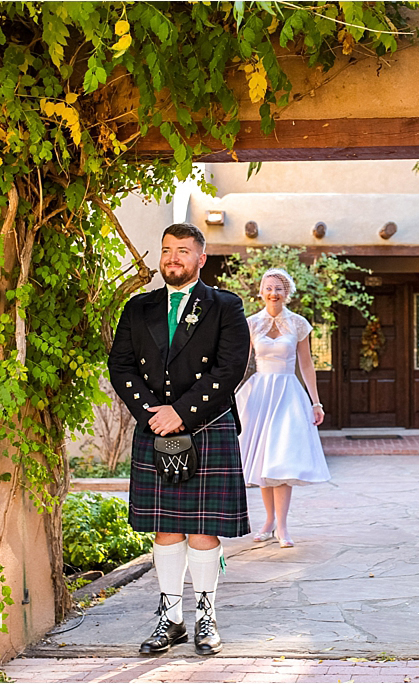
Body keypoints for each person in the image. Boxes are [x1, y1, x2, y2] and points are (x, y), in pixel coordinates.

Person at [106, 223, 252, 656]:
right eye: (167, 250)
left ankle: (206, 617)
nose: (173, 258)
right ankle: (170, 620)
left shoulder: (225, 306)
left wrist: (181, 412)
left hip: (207, 425)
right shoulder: (139, 308)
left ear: (200, 258)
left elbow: (229, 369)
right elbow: (121, 365)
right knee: (165, 529)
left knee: (204, 531)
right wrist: (153, 414)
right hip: (156, 426)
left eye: (183, 251)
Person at [234, 269, 331, 548]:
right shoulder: (251, 323)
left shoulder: (299, 324)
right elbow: (241, 362)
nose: (273, 293)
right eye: (268, 287)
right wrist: (227, 393)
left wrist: (315, 401)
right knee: (265, 458)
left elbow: (306, 364)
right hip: (259, 395)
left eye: (279, 288)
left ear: (286, 293)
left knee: (282, 457)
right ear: (261, 291)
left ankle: (283, 527)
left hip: (288, 395)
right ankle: (268, 521)